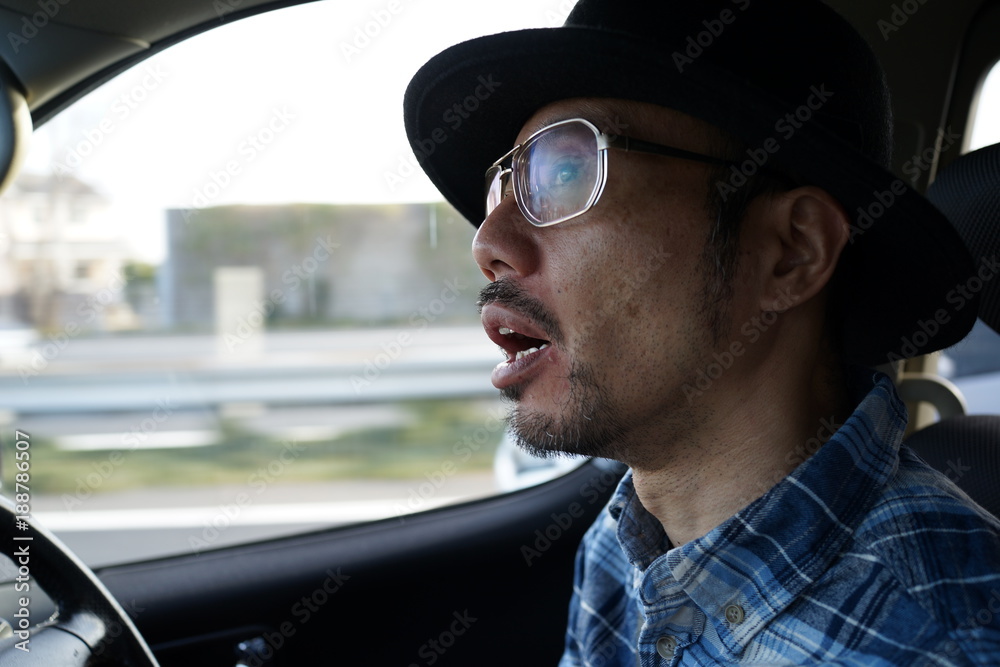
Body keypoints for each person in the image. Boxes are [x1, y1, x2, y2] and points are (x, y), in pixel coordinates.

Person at [404, 0, 1000, 664]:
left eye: (564, 170)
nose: (488, 241)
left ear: (790, 251)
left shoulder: (941, 642)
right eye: (505, 184)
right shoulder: (626, 541)